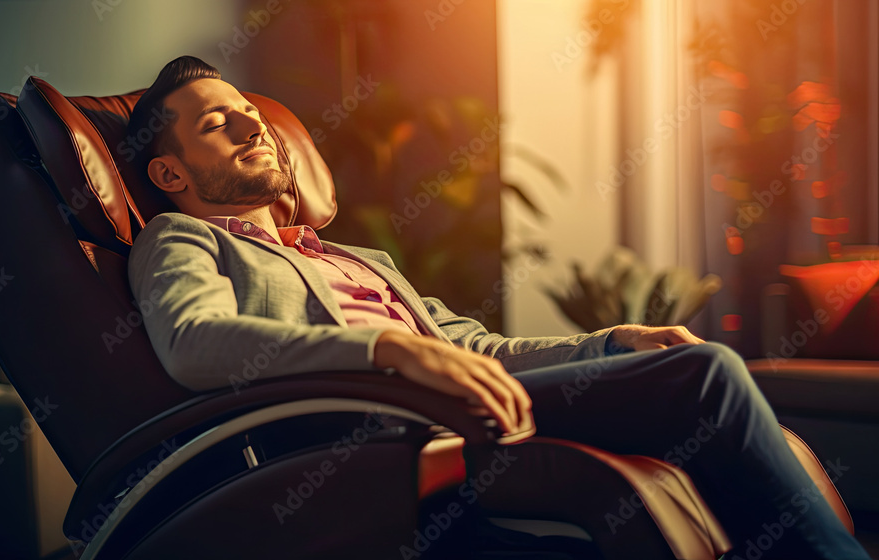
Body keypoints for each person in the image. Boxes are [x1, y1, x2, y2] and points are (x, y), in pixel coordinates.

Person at [124, 55, 870, 559]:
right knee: (704, 378)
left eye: (246, 110)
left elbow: (478, 348)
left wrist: (609, 344)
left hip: (456, 406)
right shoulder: (179, 238)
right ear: (169, 170)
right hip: (370, 439)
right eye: (216, 124)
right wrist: (389, 351)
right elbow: (193, 341)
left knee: (680, 368)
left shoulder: (355, 258)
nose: (253, 124)